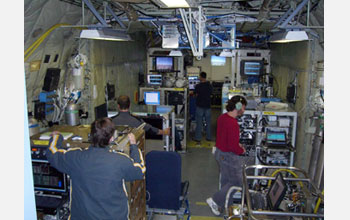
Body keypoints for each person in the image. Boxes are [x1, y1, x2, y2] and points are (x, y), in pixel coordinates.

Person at [46, 117, 145, 220]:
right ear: (111, 139)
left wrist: (56, 137)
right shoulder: (120, 161)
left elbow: (52, 153)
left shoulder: (75, 157)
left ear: (91, 136)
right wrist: (134, 146)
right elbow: (140, 170)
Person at [206, 95, 247, 216]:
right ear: (238, 107)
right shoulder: (233, 123)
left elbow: (225, 138)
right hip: (229, 156)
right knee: (236, 182)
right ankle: (215, 200)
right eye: (243, 107)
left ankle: (226, 207)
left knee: (226, 181)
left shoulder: (222, 117)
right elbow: (232, 146)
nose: (244, 111)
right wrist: (242, 150)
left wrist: (236, 144)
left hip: (220, 153)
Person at [112, 95, 183, 151]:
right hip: (132, 150)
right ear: (129, 105)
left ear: (118, 106)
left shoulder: (111, 121)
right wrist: (165, 132)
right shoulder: (136, 120)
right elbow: (150, 129)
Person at [193, 71, 213, 143]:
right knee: (208, 122)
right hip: (208, 106)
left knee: (199, 122)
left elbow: (195, 94)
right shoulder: (209, 85)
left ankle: (198, 138)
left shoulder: (198, 86)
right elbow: (211, 94)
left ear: (201, 77)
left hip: (200, 106)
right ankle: (208, 137)